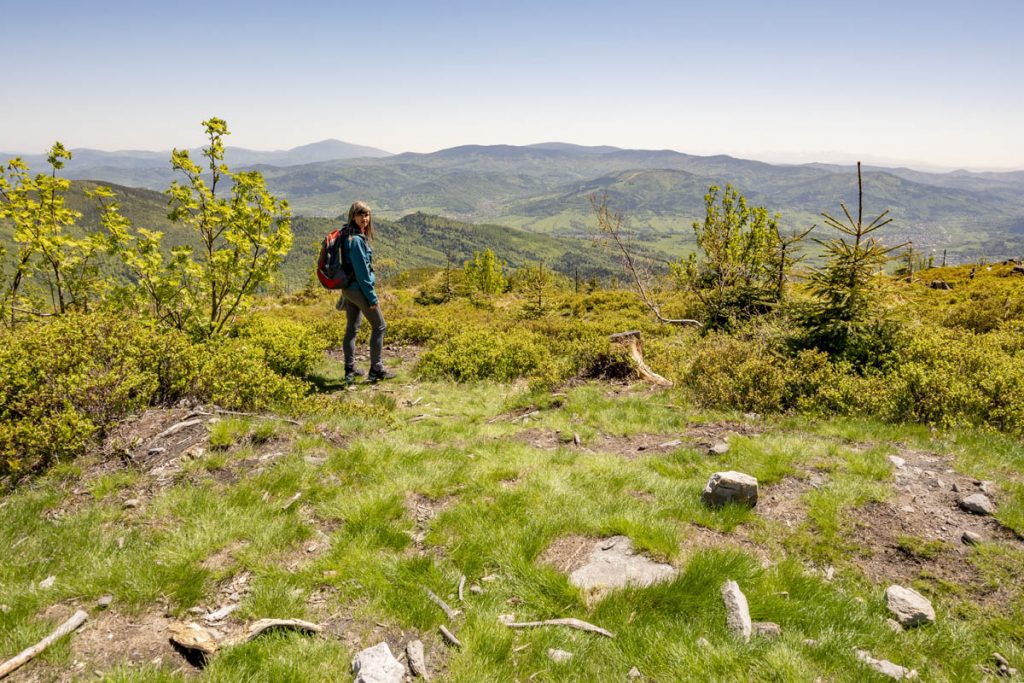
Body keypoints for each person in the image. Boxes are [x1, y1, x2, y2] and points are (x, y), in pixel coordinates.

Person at [337, 200, 394, 382]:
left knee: (352, 329)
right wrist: (372, 297)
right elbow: (362, 273)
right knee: (380, 326)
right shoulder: (356, 242)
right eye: (360, 214)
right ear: (353, 216)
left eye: (367, 215)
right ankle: (376, 369)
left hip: (348, 290)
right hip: (358, 290)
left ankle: (350, 370)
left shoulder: (348, 235)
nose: (365, 218)